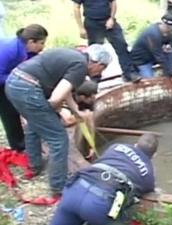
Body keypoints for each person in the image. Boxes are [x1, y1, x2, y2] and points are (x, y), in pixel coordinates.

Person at [5, 44, 112, 196]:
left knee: (33, 127)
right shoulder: (80, 67)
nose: (99, 73)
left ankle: (34, 166)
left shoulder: (75, 55)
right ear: (98, 64)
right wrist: (54, 111)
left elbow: (65, 89)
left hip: (14, 82)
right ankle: (58, 186)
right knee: (59, 139)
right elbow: (56, 98)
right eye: (102, 69)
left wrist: (75, 111)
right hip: (28, 89)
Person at [50, 134, 158, 225]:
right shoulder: (148, 172)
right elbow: (148, 192)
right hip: (100, 203)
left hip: (75, 190)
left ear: (136, 144)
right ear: (154, 155)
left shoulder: (116, 146)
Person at [0, 24, 48, 153]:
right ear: (31, 41)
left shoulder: (27, 49)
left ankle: (27, 137)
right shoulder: (10, 50)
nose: (43, 47)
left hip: (8, 76)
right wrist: (18, 78)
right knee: (9, 112)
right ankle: (18, 144)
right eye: (42, 43)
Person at [72, 0, 134, 82]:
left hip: (108, 21)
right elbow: (76, 7)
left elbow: (113, 2)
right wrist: (81, 28)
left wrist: (111, 18)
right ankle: (95, 78)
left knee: (121, 45)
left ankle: (129, 73)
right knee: (93, 54)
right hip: (92, 23)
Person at [130, 14, 172, 84]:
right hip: (142, 61)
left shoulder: (168, 32)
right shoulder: (153, 34)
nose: (170, 30)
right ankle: (134, 72)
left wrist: (168, 46)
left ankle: (168, 72)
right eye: (169, 27)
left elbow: (171, 42)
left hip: (153, 56)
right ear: (163, 24)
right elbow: (159, 57)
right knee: (150, 82)